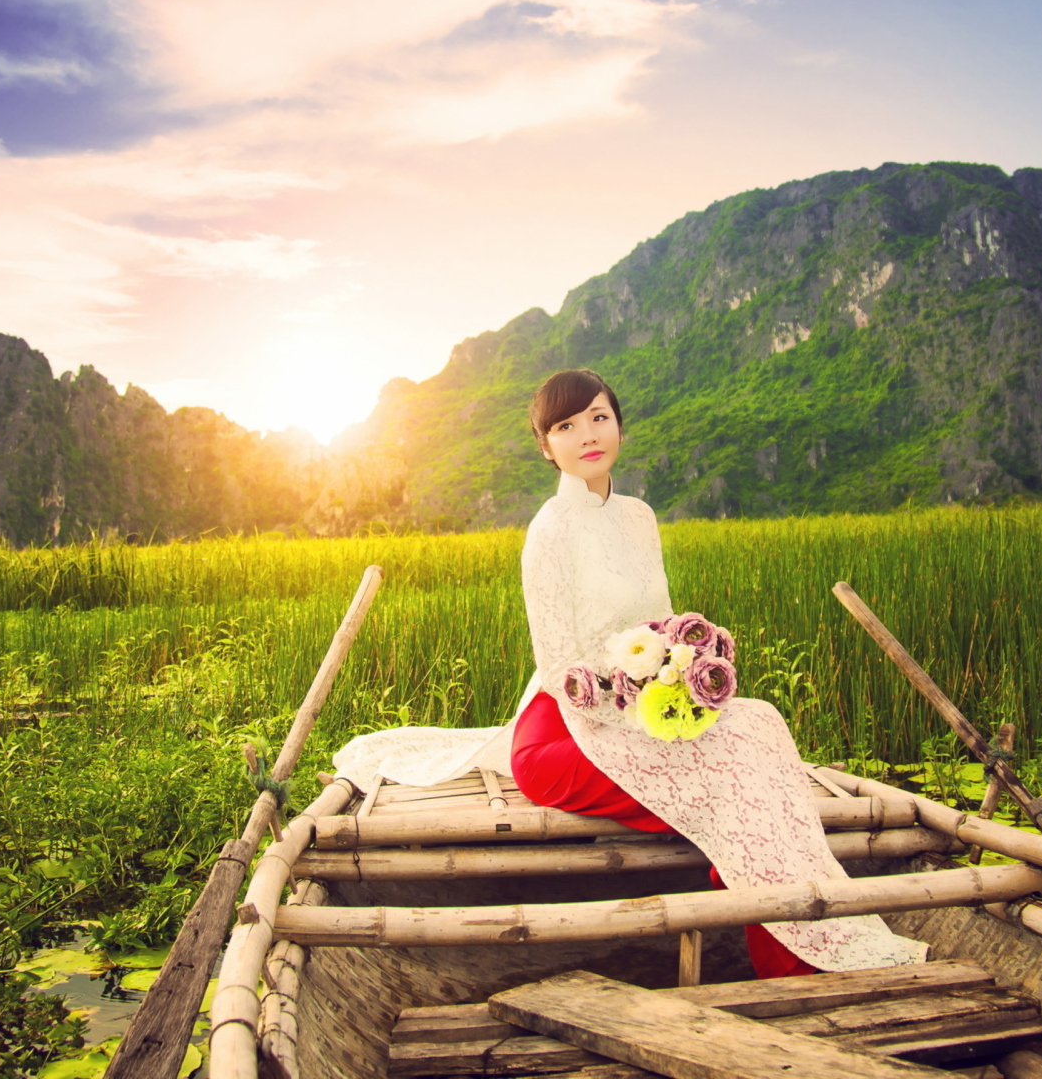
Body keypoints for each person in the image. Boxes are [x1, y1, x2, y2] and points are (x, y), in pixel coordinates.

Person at [333, 368, 926, 977]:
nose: (587, 434)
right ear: (546, 446)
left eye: (598, 417)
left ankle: (799, 910)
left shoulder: (640, 517)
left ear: (617, 424)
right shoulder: (549, 532)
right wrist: (641, 707)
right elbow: (560, 665)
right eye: (565, 426)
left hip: (646, 704)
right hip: (568, 727)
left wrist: (683, 671)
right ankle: (790, 957)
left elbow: (660, 621)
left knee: (760, 725)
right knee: (726, 781)